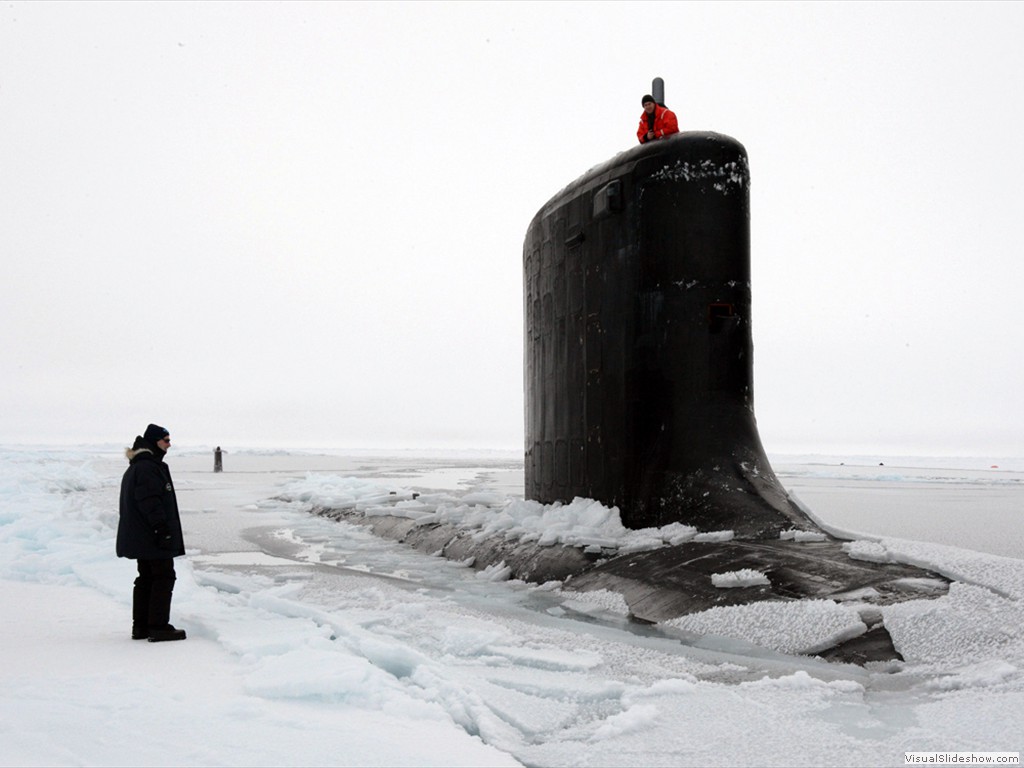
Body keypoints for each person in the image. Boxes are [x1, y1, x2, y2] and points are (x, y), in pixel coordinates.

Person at [116, 423, 187, 642]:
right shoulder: (147, 467)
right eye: (166, 440)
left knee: (146, 577)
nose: (169, 444)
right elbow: (149, 501)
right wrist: (162, 529)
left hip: (143, 536)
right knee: (163, 576)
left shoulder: (141, 465)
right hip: (151, 536)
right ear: (155, 441)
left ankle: (142, 627)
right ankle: (157, 626)